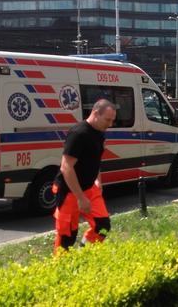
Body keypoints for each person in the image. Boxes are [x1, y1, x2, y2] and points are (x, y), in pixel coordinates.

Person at [53, 99, 116, 254]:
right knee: (67, 236)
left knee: (103, 226)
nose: (110, 124)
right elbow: (66, 167)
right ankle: (60, 269)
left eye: (112, 120)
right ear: (95, 113)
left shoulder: (100, 134)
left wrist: (97, 181)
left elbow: (95, 160)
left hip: (89, 188)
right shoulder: (78, 133)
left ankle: (83, 253)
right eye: (107, 120)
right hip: (69, 191)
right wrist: (80, 197)